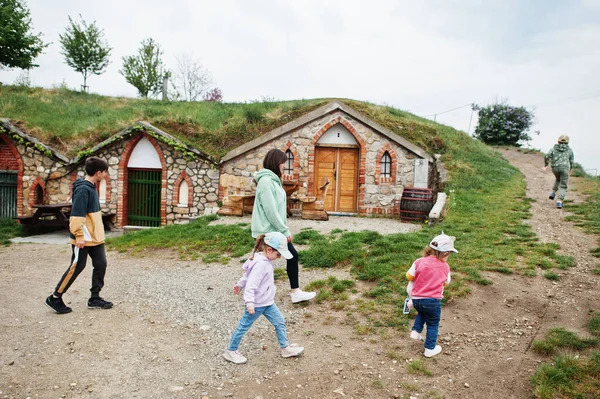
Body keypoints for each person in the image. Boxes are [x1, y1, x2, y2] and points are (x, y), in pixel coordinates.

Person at [223, 232, 305, 364]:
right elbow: (252, 283)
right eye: (278, 254)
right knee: (243, 326)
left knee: (279, 322)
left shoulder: (261, 258)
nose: (279, 258)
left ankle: (285, 348)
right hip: (256, 305)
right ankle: (231, 351)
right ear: (269, 249)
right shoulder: (261, 264)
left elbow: (247, 275)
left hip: (268, 302)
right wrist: (249, 302)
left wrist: (239, 284)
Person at [45, 157, 113, 314]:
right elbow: (76, 215)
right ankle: (55, 297)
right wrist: (79, 236)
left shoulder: (90, 186)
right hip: (84, 238)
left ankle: (94, 298)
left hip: (95, 238)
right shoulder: (83, 189)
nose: (105, 175)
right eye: (104, 172)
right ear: (98, 172)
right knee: (77, 267)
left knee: (101, 264)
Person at [251, 148, 315, 303]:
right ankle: (295, 292)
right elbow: (270, 210)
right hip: (269, 230)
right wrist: (284, 230)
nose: (284, 166)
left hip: (271, 229)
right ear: (276, 162)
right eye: (283, 163)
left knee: (261, 260)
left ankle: (249, 288)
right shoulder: (266, 181)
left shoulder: (272, 180)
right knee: (289, 256)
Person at [406, 232, 456, 358]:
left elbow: (409, 276)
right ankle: (430, 348)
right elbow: (446, 282)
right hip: (433, 301)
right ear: (445, 253)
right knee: (433, 323)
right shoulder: (445, 267)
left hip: (417, 298)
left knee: (422, 312)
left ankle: (416, 331)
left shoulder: (419, 261)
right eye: (449, 254)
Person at [543, 135, 574, 209]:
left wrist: (546, 165)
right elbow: (571, 160)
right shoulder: (569, 150)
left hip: (555, 168)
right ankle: (559, 201)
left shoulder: (553, 148)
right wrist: (570, 168)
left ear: (558, 141)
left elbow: (547, 156)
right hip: (565, 168)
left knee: (558, 179)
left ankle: (553, 192)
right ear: (567, 142)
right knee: (563, 185)